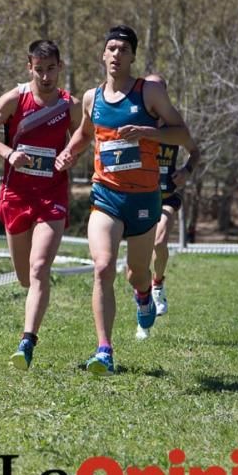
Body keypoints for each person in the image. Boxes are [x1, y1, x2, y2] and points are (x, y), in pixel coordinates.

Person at [54, 25, 191, 375]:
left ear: (132, 57)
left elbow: (182, 134)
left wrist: (149, 133)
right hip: (107, 196)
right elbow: (86, 133)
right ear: (103, 54)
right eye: (111, 48)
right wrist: (69, 153)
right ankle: (104, 350)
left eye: (123, 50)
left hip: (144, 198)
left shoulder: (149, 93)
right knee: (102, 268)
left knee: (137, 274)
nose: (116, 54)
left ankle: (144, 296)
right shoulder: (92, 98)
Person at [0, 40, 81, 369]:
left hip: (52, 194)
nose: (46, 76)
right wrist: (9, 153)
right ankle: (29, 321)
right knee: (24, 276)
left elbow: (83, 138)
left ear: (60, 67)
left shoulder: (70, 105)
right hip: (16, 194)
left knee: (39, 269)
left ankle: (27, 341)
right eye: (39, 70)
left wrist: (69, 156)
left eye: (51, 69)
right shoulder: (14, 99)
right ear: (29, 67)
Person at [146, 131, 199, 335]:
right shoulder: (141, 122)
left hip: (167, 197)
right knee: (140, 255)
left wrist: (186, 170)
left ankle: (157, 287)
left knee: (159, 242)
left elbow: (195, 152)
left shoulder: (174, 127)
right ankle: (143, 305)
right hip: (141, 196)